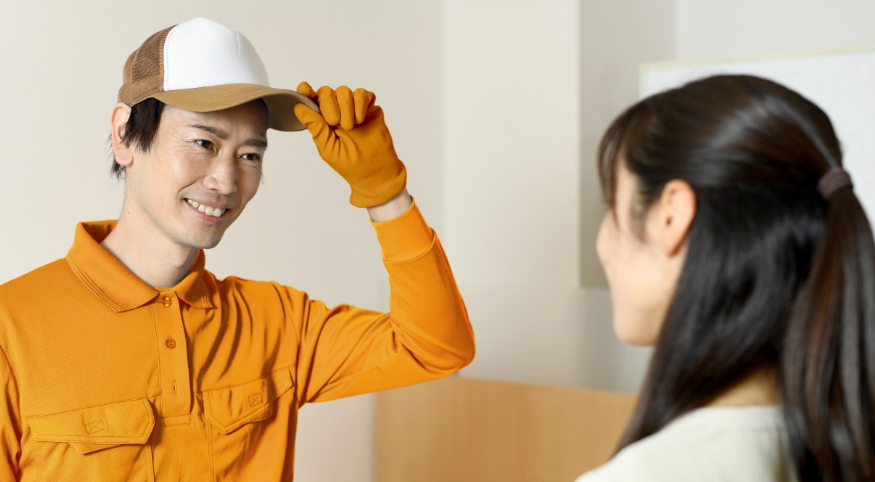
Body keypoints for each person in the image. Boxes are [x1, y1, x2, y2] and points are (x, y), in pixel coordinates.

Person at [0, 17, 475, 481]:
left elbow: (437, 347)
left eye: (250, 154)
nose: (226, 181)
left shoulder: (277, 322)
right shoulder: (12, 330)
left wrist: (384, 191)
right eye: (203, 142)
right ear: (125, 134)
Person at [577, 75, 875, 481]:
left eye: (611, 205)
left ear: (671, 216)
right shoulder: (844, 448)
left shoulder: (645, 474)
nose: (602, 246)